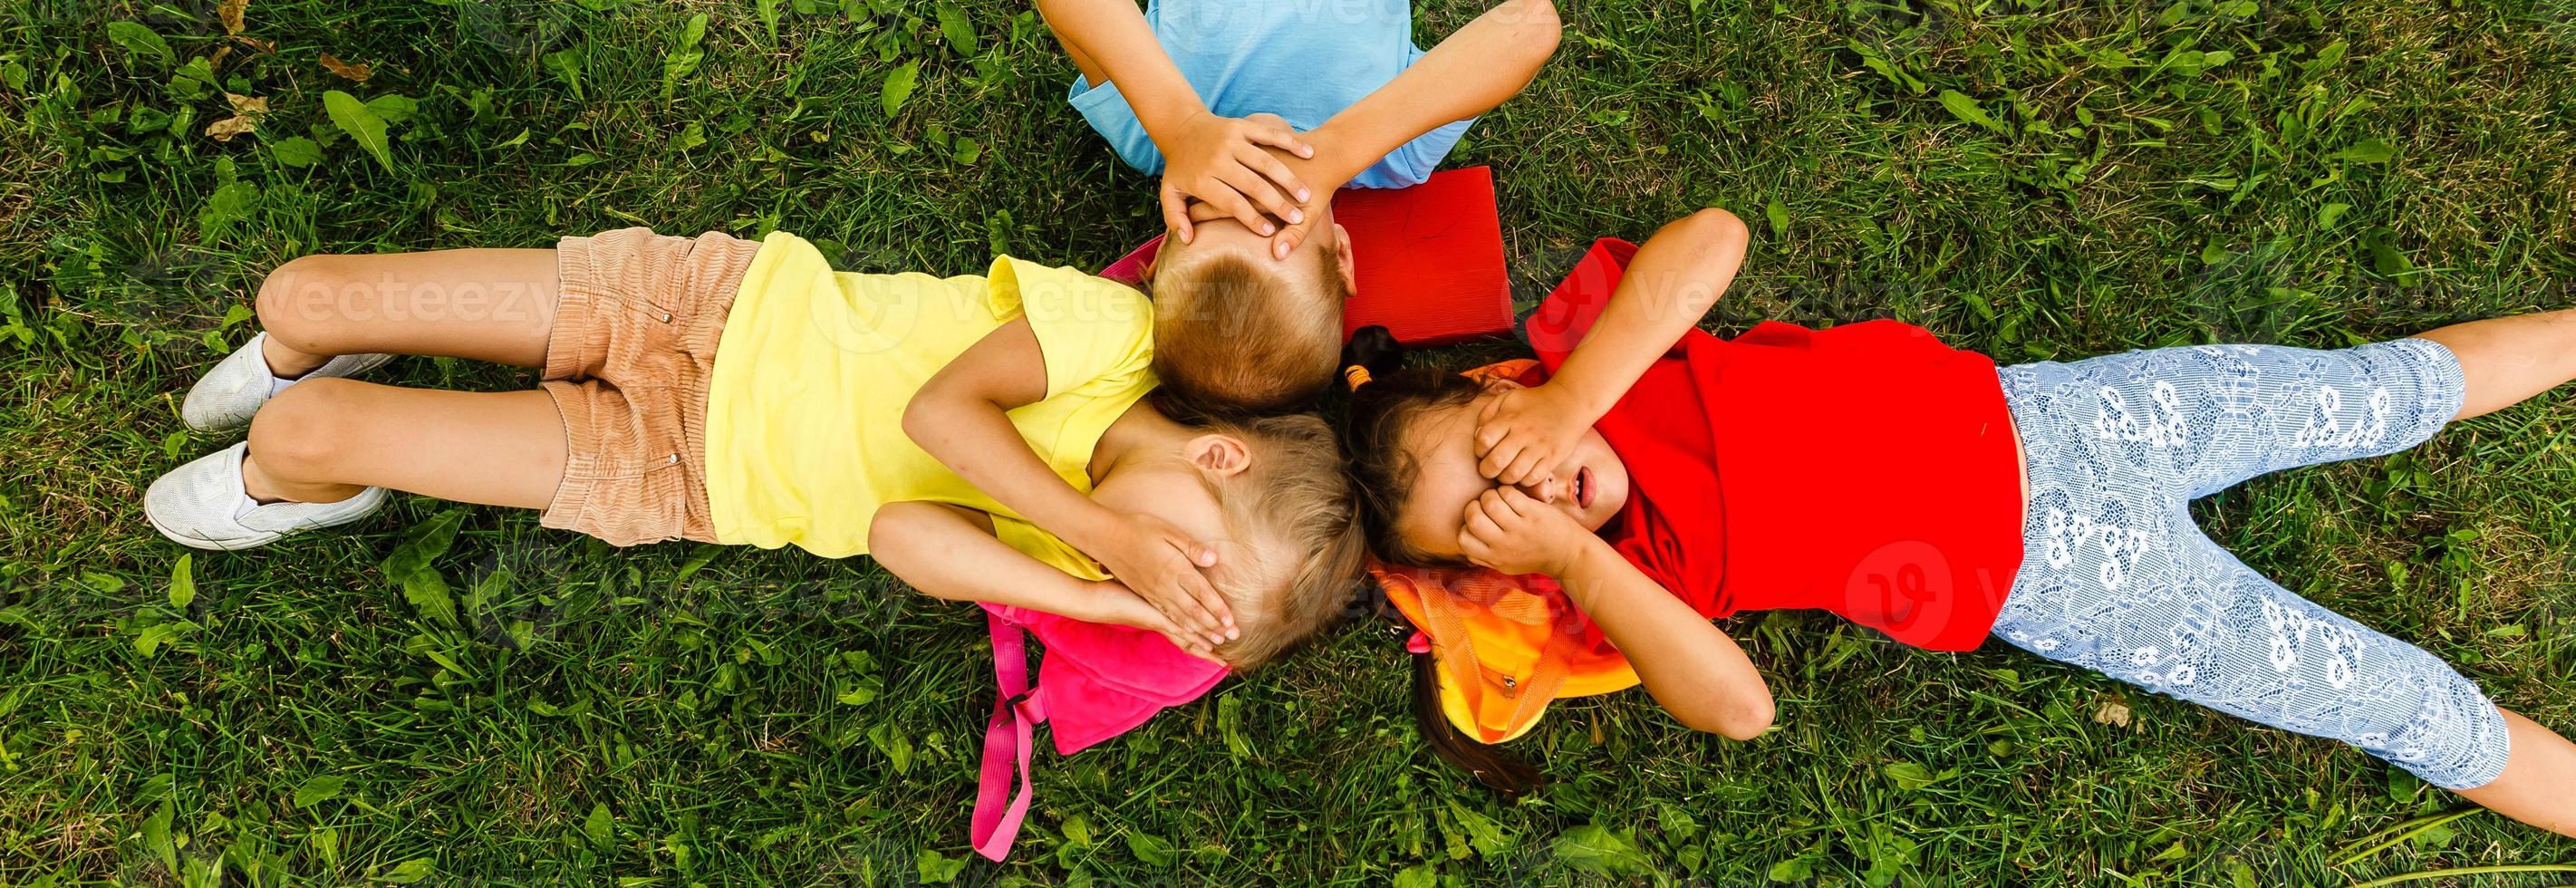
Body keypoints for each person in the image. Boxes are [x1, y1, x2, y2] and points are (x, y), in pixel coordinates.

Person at [1343, 208, 2576, 836]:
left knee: (2376, 390)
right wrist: (1565, 557)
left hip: (2070, 421)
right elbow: (1738, 709)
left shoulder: (1609, 366)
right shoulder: (1632, 575)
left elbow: (1710, 241)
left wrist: (1569, 399)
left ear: (1490, 390)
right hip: (2065, 580)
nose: (1523, 495)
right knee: (2386, 703)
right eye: (1485, 528)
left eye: (1490, 459)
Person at [147, 227, 1365, 666]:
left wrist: (1101, 603)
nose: (1151, 577)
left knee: (305, 431)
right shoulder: (1110, 344)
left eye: (1179, 604)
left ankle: (304, 482)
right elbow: (938, 417)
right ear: (1220, 459)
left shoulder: (1033, 539)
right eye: (1186, 564)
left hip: (676, 471)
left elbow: (898, 532)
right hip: (696, 306)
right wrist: (1103, 532)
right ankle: (316, 348)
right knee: (299, 297)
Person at [1038, 0, 1560, 413]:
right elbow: (1532, 23)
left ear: (1160, 251)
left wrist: (1181, 126)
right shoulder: (1394, 155)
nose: (1258, 183)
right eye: (1280, 214)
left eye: (1213, 207)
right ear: (1340, 255)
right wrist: (1337, 150)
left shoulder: (1148, 134)